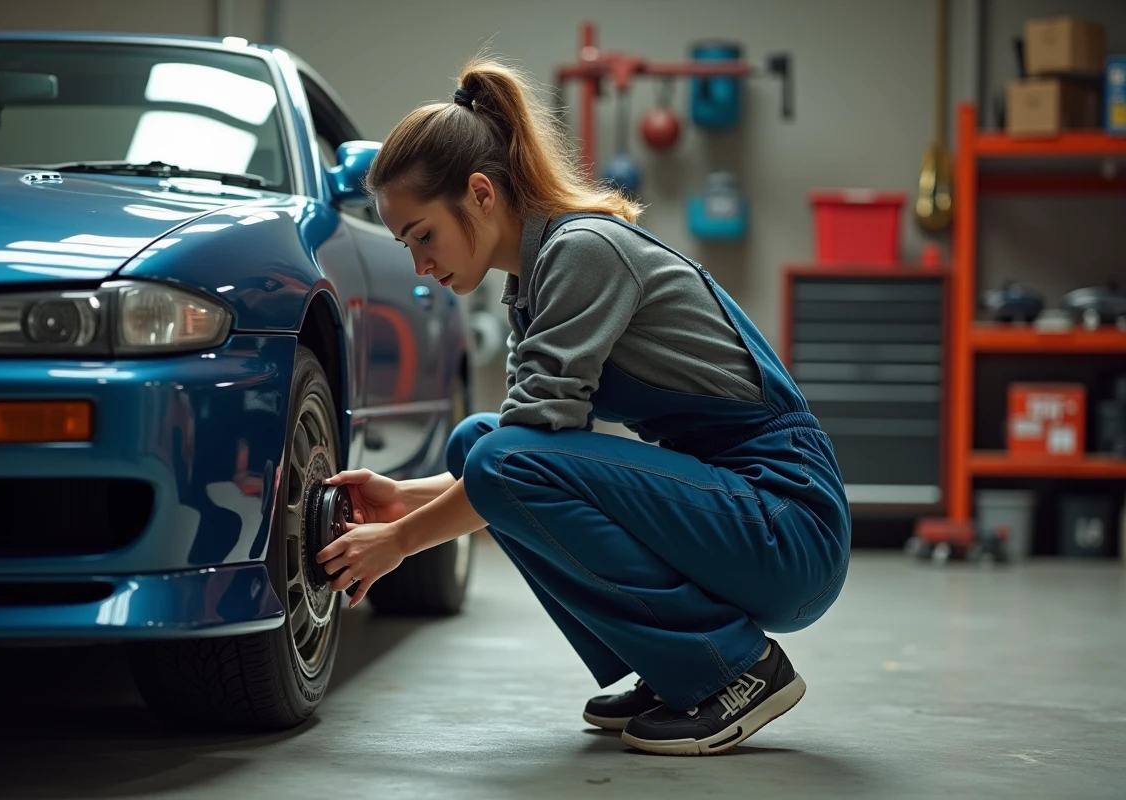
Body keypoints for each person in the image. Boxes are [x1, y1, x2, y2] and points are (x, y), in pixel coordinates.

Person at [315, 54, 851, 757]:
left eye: (423, 236)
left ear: (480, 193)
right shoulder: (533, 282)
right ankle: (679, 668)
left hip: (788, 525)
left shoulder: (582, 250)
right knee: (480, 442)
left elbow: (520, 462)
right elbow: (520, 451)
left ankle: (736, 671)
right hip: (738, 513)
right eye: (404, 244)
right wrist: (403, 498)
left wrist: (401, 544)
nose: (419, 263)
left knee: (497, 455)